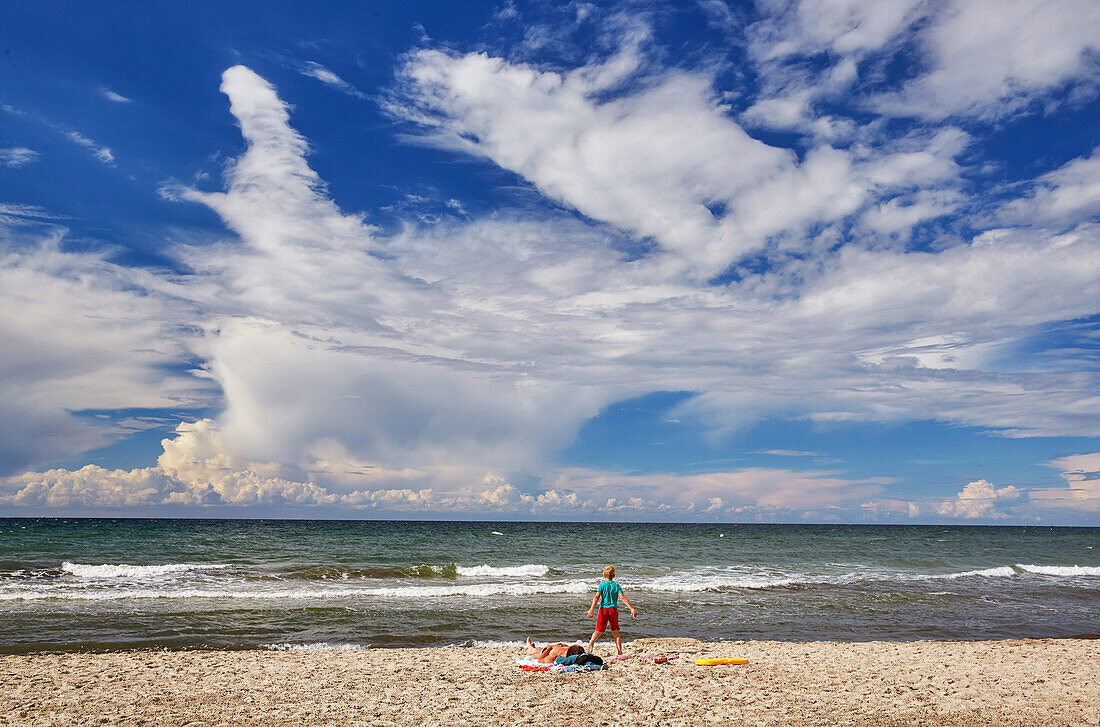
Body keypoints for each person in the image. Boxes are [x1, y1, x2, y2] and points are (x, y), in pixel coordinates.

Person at [585, 565, 637, 655]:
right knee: (616, 632)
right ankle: (619, 651)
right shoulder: (616, 586)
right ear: (613, 576)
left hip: (603, 610)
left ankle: (591, 642)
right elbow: (623, 598)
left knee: (598, 630)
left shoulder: (602, 585)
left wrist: (591, 610)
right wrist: (631, 608)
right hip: (613, 610)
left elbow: (596, 597)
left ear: (604, 575)